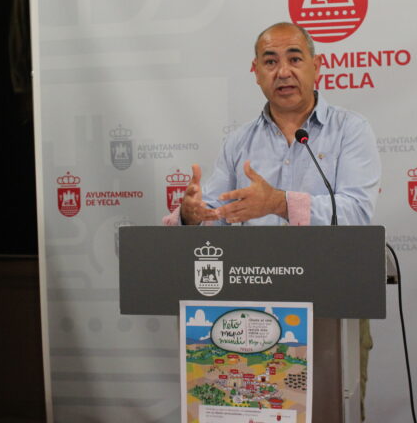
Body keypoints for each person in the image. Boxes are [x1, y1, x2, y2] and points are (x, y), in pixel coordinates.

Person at [163, 21, 381, 420]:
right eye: (270, 62)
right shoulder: (238, 143)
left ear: (317, 66)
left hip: (334, 304)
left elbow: (356, 213)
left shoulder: (350, 130)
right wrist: (191, 217)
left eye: (294, 59)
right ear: (256, 72)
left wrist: (279, 203)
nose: (283, 72)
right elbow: (216, 213)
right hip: (252, 310)